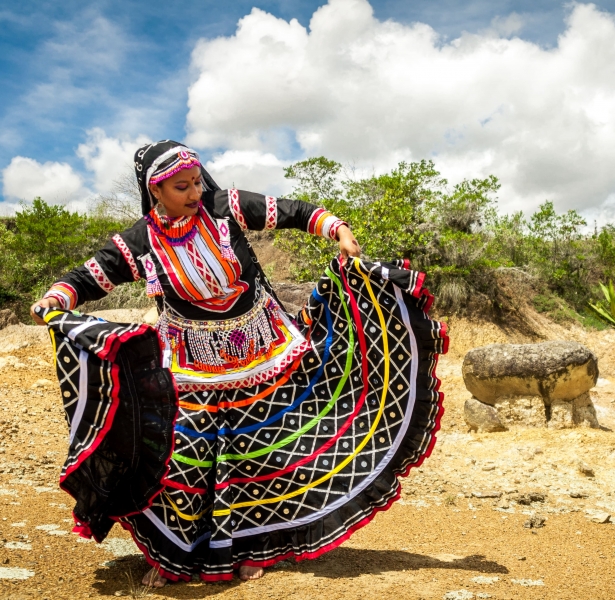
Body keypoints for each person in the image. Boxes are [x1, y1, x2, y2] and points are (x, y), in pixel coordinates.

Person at [30, 140, 448, 587]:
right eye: (181, 187)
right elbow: (85, 278)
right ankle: (173, 552)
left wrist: (337, 230)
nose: (194, 192)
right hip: (191, 365)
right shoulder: (138, 243)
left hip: (261, 350)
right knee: (182, 457)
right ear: (155, 191)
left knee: (259, 452)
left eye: (195, 182)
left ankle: (257, 549)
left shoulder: (224, 207)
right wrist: (55, 299)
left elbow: (292, 211)